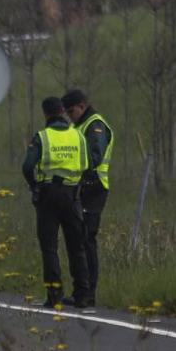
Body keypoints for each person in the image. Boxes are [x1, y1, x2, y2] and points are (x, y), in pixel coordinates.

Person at [22, 97, 91, 308]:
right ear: (62, 111)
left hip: (49, 195)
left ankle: (54, 295)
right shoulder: (78, 136)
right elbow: (86, 165)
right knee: (76, 247)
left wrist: (35, 186)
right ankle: (82, 295)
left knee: (50, 247)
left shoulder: (42, 137)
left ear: (46, 114)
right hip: (73, 195)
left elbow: (27, 166)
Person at [62, 89, 112, 307]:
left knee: (86, 240)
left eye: (71, 111)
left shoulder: (95, 125)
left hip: (93, 187)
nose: (69, 115)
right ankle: (80, 292)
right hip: (80, 187)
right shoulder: (79, 126)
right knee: (76, 240)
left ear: (81, 106)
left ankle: (89, 293)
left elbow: (94, 157)